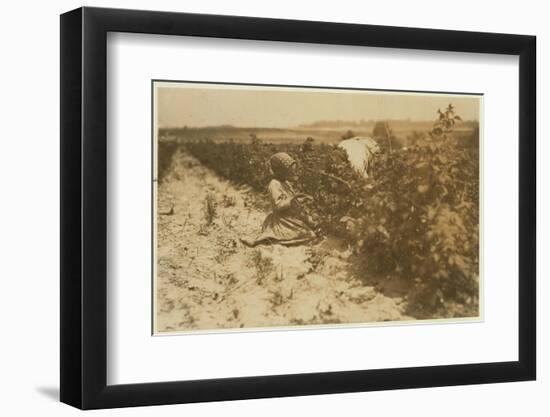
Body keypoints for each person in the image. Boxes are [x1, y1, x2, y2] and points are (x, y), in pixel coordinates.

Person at [240, 152, 316, 247]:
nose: (292, 172)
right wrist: (293, 198)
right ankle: (264, 241)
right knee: (308, 235)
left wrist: (301, 200)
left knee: (309, 231)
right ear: (281, 170)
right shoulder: (274, 184)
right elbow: (278, 206)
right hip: (282, 220)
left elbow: (290, 200)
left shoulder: (286, 183)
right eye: (289, 170)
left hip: (290, 217)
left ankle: (271, 239)